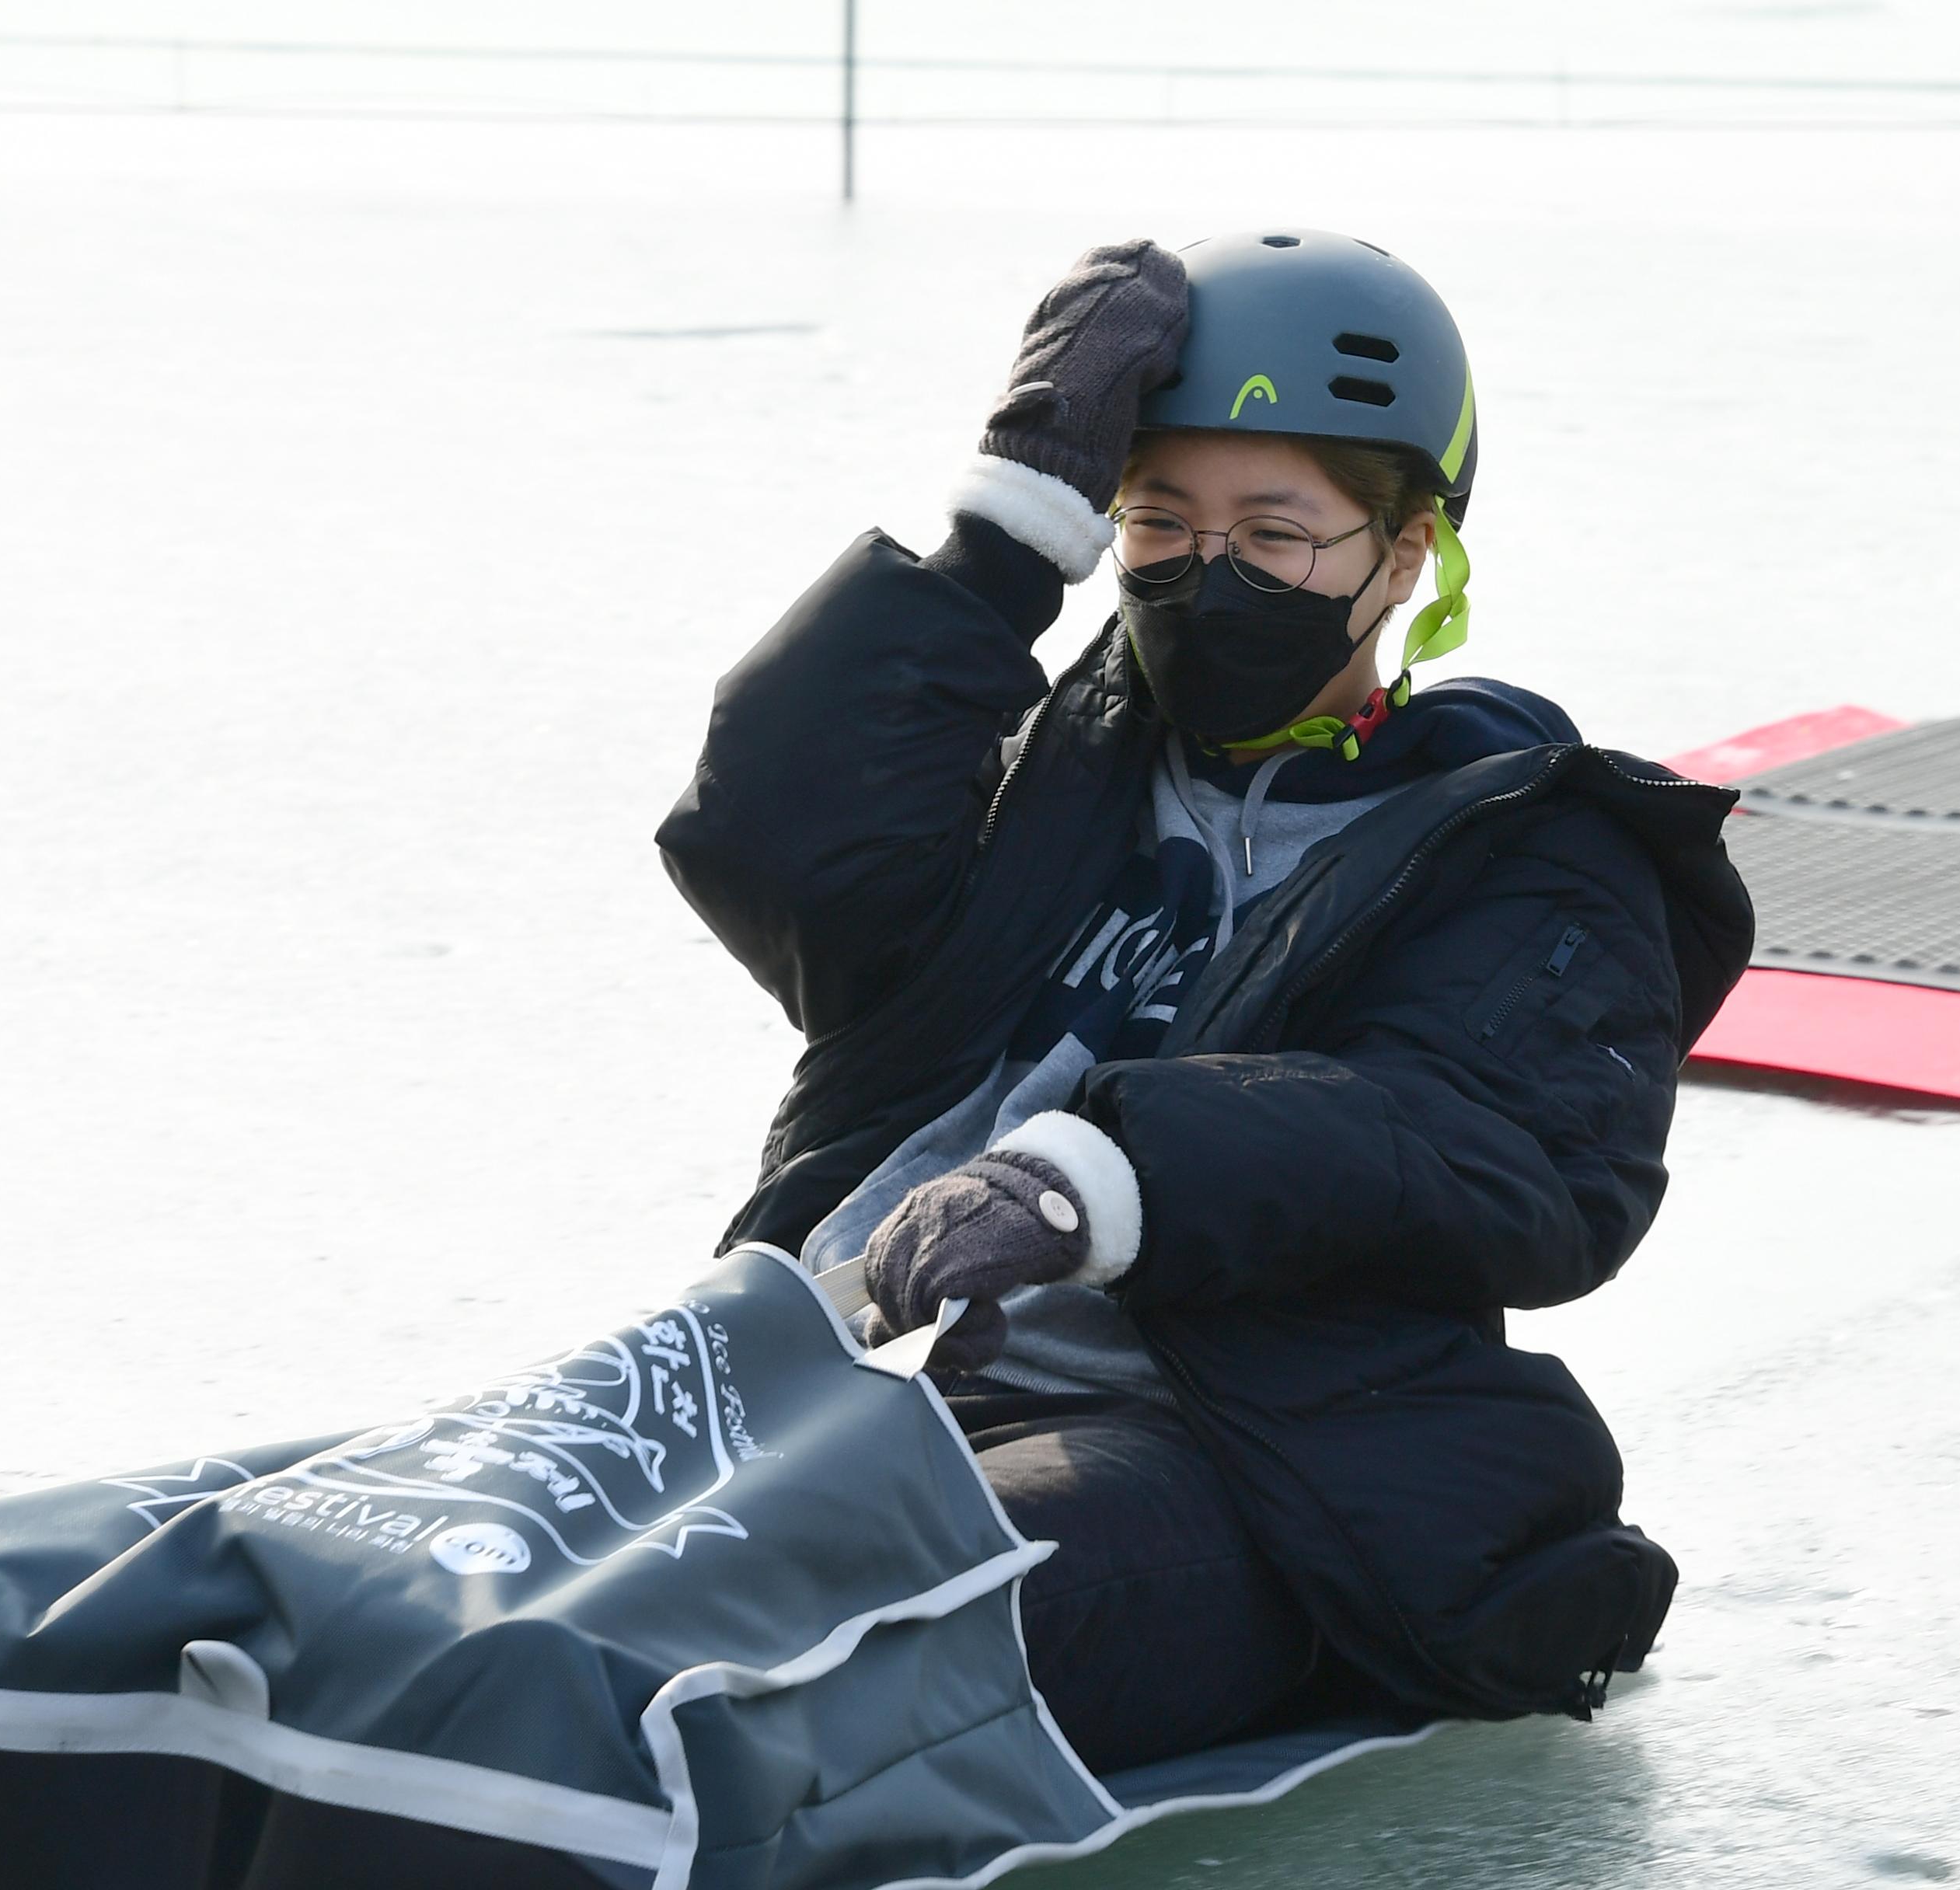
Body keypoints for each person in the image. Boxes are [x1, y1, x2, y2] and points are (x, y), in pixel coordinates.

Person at [658, 230, 1754, 1774]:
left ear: (1408, 545)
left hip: (1236, 1464)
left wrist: (1098, 1175)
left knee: (790, 1628)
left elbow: (1490, 1137)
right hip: (842, 1379)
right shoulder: (1063, 773)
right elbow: (780, 847)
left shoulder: (1535, 847)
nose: (1208, 566)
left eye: (1277, 529)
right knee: (468, 1591)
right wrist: (1005, 529)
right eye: (1158, 518)